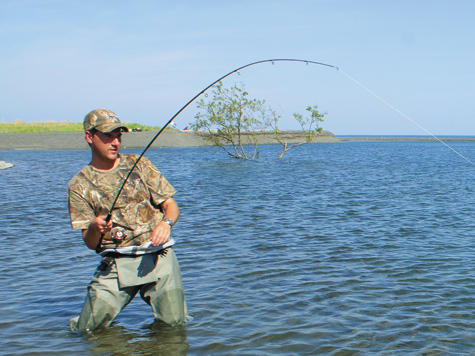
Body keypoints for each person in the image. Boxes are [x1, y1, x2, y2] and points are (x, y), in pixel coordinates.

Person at [67, 109, 189, 333]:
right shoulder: (78, 185)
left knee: (174, 327)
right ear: (89, 136)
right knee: (86, 330)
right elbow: (90, 242)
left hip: (158, 257)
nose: (115, 142)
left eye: (119, 136)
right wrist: (95, 226)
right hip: (115, 263)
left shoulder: (140, 164)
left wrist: (166, 224)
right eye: (107, 136)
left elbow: (171, 207)